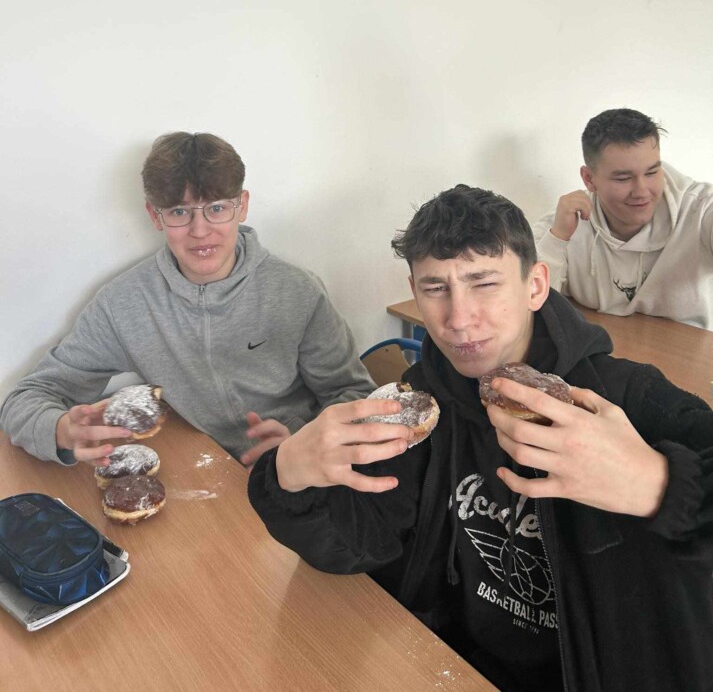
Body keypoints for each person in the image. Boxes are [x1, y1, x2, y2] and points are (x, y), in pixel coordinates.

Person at [248, 185, 713, 692]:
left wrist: (657, 483)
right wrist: (287, 475)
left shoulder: (625, 397)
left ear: (535, 286)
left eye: (484, 283)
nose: (459, 319)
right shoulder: (421, 408)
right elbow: (354, 549)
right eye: (435, 288)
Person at [0, 132, 374, 469]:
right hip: (202, 474)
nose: (200, 230)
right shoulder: (124, 304)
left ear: (242, 206)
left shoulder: (297, 291)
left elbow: (354, 393)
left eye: (217, 208)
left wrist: (306, 441)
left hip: (299, 470)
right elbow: (26, 398)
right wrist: (60, 429)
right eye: (179, 212)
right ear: (155, 216)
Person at [532, 107, 713, 330]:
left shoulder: (700, 209)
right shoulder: (562, 225)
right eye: (623, 178)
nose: (642, 191)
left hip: (688, 349)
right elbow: (531, 312)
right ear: (589, 179)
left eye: (651, 172)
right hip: (605, 347)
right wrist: (557, 240)